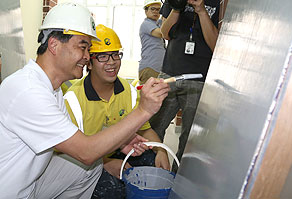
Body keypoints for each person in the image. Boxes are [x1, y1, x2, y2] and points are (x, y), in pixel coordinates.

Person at [0, 3, 170, 198]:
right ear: (54, 45)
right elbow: (85, 150)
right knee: (89, 159)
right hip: (9, 192)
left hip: (30, 183)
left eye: (89, 49)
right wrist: (144, 110)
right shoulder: (28, 90)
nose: (87, 57)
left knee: (89, 166)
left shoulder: (51, 89)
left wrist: (120, 143)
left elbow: (65, 144)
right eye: (83, 47)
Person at [61, 24, 170, 199]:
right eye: (102, 56)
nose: (111, 62)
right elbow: (70, 153)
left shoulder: (128, 91)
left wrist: (161, 151)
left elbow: (144, 129)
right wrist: (106, 163)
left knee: (151, 163)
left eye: (115, 54)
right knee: (113, 190)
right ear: (88, 62)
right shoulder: (73, 100)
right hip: (85, 161)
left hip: (122, 150)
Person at [149, 0, 222, 173]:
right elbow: (165, 33)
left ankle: (176, 180)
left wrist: (201, 10)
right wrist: (177, 7)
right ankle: (150, 173)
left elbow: (216, 44)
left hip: (199, 80)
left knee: (190, 141)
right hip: (169, 75)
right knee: (154, 128)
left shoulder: (220, 3)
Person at [138, 0, 166, 85]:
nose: (155, 12)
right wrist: (165, 17)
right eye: (152, 9)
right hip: (150, 68)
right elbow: (162, 33)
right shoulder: (146, 24)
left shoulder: (158, 23)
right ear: (146, 11)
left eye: (158, 10)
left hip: (158, 68)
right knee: (149, 96)